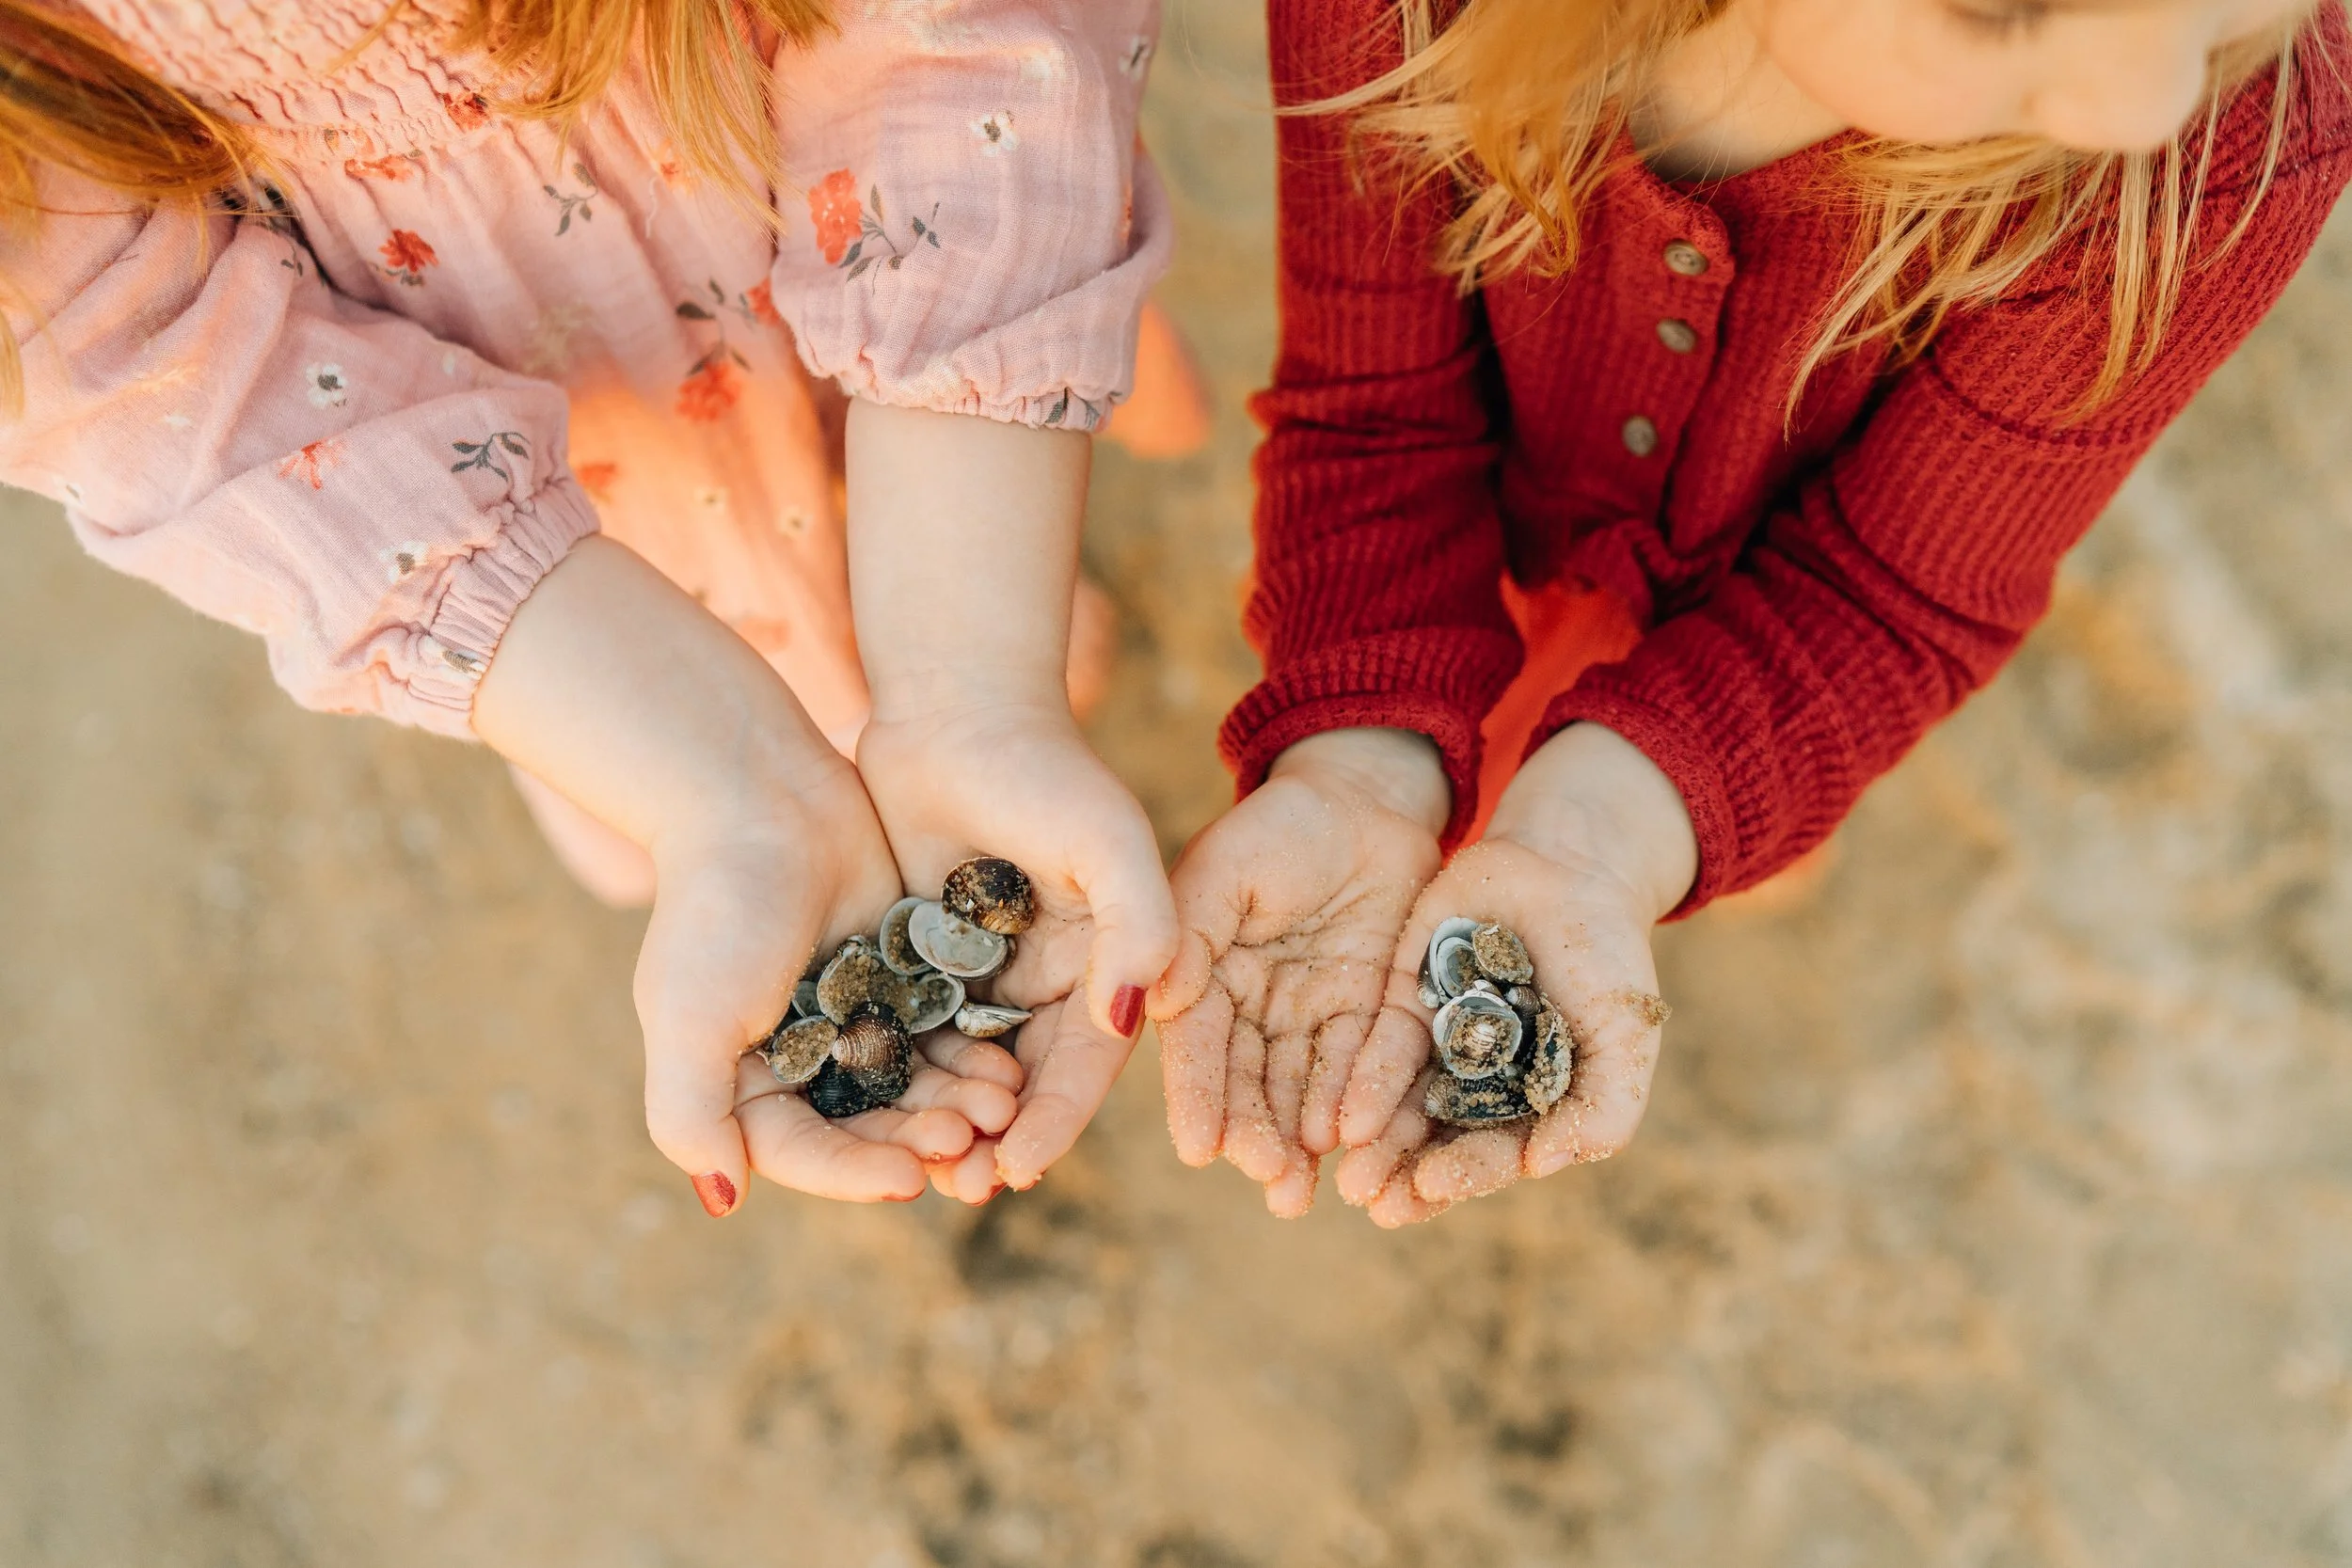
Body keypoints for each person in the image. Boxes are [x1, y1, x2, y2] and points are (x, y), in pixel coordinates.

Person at [1155, 0, 2352, 1224]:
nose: (2146, 104)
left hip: (1782, 598)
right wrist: (1356, 760)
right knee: (1483, 721)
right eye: (2004, 7)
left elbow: (1890, 595)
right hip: (1500, 490)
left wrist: (1613, 835)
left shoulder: (2222, 154)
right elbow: (1381, 413)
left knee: (1721, 793)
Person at [0, 0, 1190, 1217]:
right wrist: (719, 789)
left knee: (946, 503)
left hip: (823, 186)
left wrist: (971, 676)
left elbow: (949, 37)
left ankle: (971, 637)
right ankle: (792, 754)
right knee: (708, 670)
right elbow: (127, 364)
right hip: (524, 483)